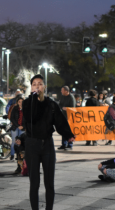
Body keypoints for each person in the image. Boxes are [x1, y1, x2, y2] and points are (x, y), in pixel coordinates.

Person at [23, 74, 75, 210]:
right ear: (31, 87)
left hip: (47, 145)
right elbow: (30, 117)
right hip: (32, 145)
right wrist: (34, 98)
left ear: (44, 87)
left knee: (49, 183)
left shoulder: (51, 104)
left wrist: (68, 134)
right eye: (34, 84)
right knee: (34, 183)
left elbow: (60, 120)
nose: (37, 86)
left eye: (40, 83)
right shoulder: (27, 103)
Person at [58, 86, 76, 150]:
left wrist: (67, 109)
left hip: (69, 116)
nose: (61, 91)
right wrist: (61, 107)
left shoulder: (71, 97)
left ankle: (70, 145)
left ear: (66, 91)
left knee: (69, 130)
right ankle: (64, 144)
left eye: (62, 90)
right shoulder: (62, 96)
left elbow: (73, 108)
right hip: (63, 116)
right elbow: (60, 104)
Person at [10, 96, 25, 161]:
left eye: (22, 102)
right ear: (17, 102)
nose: (20, 103)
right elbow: (12, 118)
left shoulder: (26, 109)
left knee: (21, 142)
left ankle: (20, 156)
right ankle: (12, 155)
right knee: (14, 141)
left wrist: (23, 126)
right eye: (19, 102)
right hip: (15, 127)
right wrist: (17, 125)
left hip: (22, 128)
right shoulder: (15, 108)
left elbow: (28, 119)